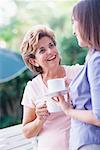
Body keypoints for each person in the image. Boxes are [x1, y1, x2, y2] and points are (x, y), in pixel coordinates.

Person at [20, 25, 82, 150]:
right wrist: (40, 119)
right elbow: (27, 133)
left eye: (51, 45)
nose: (50, 51)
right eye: (42, 50)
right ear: (34, 61)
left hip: (81, 143)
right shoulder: (33, 88)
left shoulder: (78, 73)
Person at [53, 0, 100, 150]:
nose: (73, 30)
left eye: (74, 21)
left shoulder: (96, 59)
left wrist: (67, 110)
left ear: (88, 21)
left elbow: (99, 116)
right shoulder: (92, 55)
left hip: (91, 142)